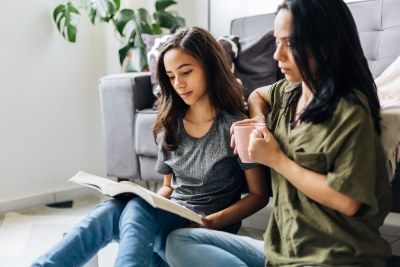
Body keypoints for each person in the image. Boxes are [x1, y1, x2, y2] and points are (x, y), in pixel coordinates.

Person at [165, 0, 393, 266]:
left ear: (325, 44)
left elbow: (350, 201)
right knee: (179, 240)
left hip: (331, 257)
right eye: (277, 42)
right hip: (280, 252)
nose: (278, 55)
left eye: (291, 44)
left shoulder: (350, 109)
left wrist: (276, 159)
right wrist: (259, 121)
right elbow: (258, 95)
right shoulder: (292, 90)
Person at [31, 27, 269, 267]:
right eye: (172, 76)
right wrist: (146, 199)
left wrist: (212, 221)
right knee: (114, 209)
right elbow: (167, 188)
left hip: (201, 237)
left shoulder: (235, 125)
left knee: (133, 208)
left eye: (186, 72)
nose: (179, 84)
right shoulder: (171, 125)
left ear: (210, 67)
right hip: (164, 231)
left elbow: (258, 195)